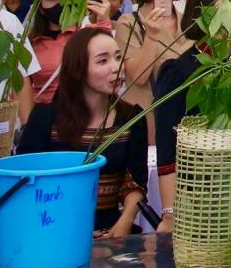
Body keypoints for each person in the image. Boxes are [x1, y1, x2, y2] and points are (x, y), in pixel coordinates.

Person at [17, 27, 148, 238]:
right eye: (103, 61)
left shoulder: (132, 118)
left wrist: (125, 221)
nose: (116, 68)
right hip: (53, 231)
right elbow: (25, 181)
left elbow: (136, 182)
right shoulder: (45, 118)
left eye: (118, 57)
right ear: (78, 69)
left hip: (112, 233)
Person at [152, 0, 231, 232]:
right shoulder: (180, 71)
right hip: (198, 196)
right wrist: (170, 214)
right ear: (205, 10)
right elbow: (168, 147)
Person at [113, 0, 186, 135]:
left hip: (185, 119)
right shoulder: (129, 22)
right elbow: (138, 76)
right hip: (148, 120)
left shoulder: (189, 22)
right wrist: (152, 36)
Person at [28, 0, 112, 103]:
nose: (61, 4)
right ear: (39, 5)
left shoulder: (87, 34)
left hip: (83, 113)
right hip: (45, 115)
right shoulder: (29, 43)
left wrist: (103, 21)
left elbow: (108, 65)